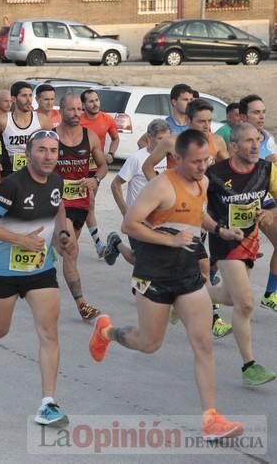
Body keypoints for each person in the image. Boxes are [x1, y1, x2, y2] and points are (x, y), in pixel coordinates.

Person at [89, 129, 245, 440]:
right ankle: (105, 331)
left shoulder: (201, 182)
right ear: (178, 159)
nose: (204, 167)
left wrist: (220, 230)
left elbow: (198, 215)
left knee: (203, 344)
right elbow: (129, 224)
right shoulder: (160, 186)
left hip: (187, 273)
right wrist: (169, 239)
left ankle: (211, 419)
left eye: (207, 160)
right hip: (154, 274)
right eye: (197, 161)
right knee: (149, 343)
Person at [0, 129, 74, 426]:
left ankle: (48, 403)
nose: (49, 156)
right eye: (42, 150)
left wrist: (64, 233)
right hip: (4, 270)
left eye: (54, 150)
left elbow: (58, 205)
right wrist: (21, 240)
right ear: (28, 154)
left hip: (40, 269)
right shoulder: (12, 185)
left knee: (49, 332)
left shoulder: (56, 180)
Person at [143, 99, 232, 336]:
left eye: (210, 121)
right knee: (199, 263)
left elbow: (229, 168)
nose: (206, 126)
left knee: (202, 264)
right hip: (173, 213)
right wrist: (163, 193)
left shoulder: (216, 142)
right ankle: (212, 317)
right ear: (188, 121)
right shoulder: (172, 142)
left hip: (202, 208)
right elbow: (148, 166)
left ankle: (180, 301)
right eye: (201, 121)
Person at [204, 122, 277, 385]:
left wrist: (270, 212)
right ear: (233, 146)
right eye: (248, 141)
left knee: (228, 296)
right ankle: (249, 366)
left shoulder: (267, 170)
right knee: (245, 302)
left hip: (250, 241)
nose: (255, 145)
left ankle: (183, 296)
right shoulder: (213, 174)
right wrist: (214, 227)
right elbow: (192, 204)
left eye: (258, 139)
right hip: (224, 242)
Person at [54, 93, 107, 320]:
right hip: (57, 203)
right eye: (71, 110)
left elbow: (103, 166)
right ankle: (82, 304)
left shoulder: (90, 136)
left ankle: (43, 254)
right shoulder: (51, 137)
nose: (76, 114)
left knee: (68, 253)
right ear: (61, 111)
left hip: (81, 203)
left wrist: (95, 179)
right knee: (70, 249)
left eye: (79, 110)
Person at [106, 119, 171, 267]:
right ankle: (117, 244)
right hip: (138, 217)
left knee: (159, 259)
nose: (164, 143)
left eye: (167, 139)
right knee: (140, 261)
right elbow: (115, 185)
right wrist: (125, 211)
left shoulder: (170, 158)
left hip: (160, 217)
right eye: (160, 139)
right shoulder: (136, 158)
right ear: (149, 137)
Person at [236, 95, 277, 311]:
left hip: (264, 202)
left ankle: (271, 293)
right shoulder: (234, 138)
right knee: (221, 260)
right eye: (256, 112)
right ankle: (200, 294)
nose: (261, 116)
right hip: (237, 203)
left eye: (263, 112)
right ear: (243, 116)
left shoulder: (267, 138)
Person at [0, 82, 52, 188]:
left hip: (35, 172)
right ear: (14, 99)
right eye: (24, 96)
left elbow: (54, 144)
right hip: (10, 173)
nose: (29, 100)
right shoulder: (3, 121)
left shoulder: (43, 120)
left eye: (30, 95)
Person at [79, 89, 118, 258]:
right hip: (78, 168)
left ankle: (67, 239)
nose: (95, 104)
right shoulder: (78, 120)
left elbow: (115, 138)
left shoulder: (107, 119)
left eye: (97, 100)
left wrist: (111, 154)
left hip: (97, 168)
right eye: (91, 101)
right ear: (83, 104)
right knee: (89, 204)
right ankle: (98, 244)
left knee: (86, 206)